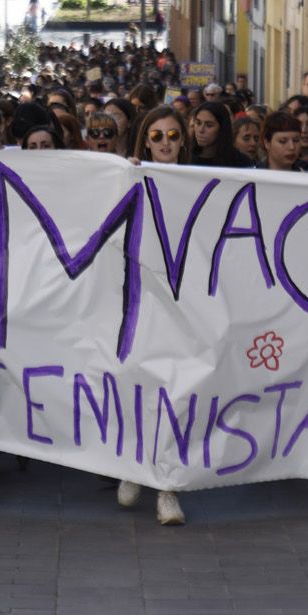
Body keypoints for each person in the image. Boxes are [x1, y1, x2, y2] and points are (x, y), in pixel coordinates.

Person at [120, 103, 189, 526]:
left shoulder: (203, 182)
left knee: (178, 392)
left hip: (187, 306)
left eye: (173, 136)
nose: (165, 143)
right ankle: (133, 464)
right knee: (139, 386)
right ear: (146, 139)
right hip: (139, 300)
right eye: (157, 136)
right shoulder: (130, 175)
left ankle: (168, 488)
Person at [189, 101, 251, 168]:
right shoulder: (184, 158)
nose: (201, 130)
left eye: (209, 125)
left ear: (222, 128)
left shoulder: (241, 162)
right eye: (198, 123)